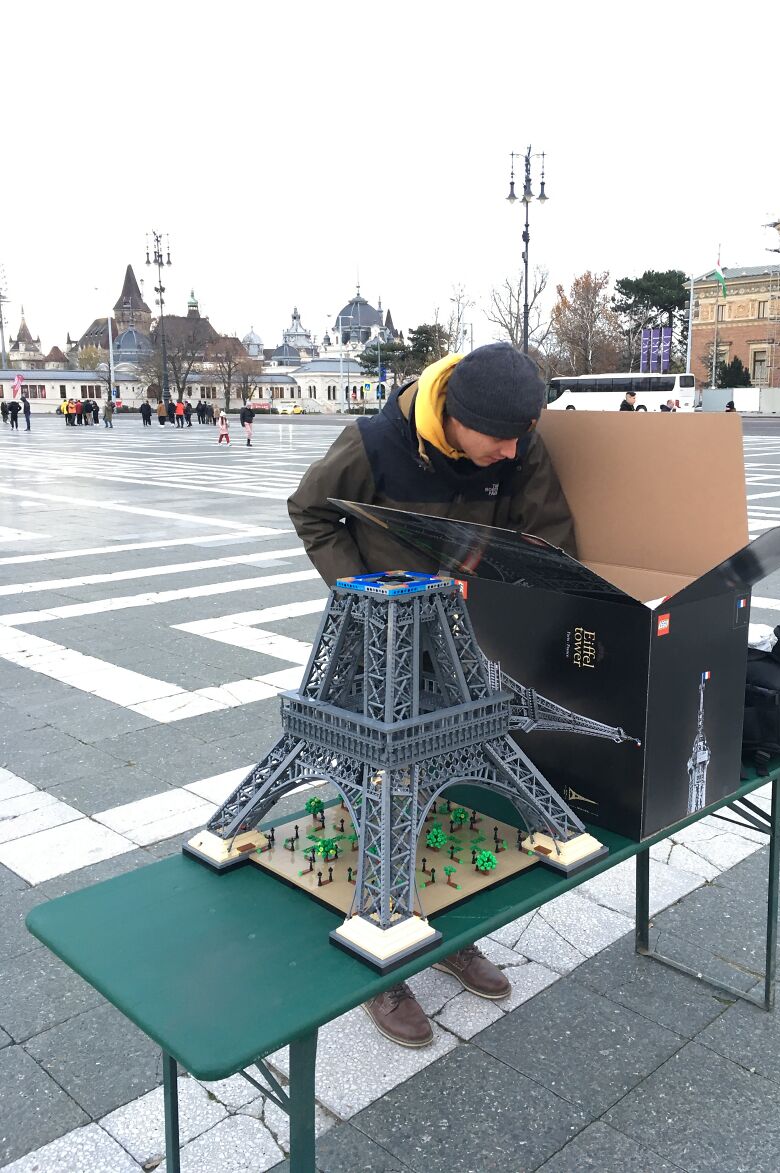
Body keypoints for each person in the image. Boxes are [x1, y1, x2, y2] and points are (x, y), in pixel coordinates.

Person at [289, 342, 576, 1048]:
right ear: (455, 416)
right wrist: (364, 597)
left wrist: (548, 618)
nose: (512, 452)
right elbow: (310, 510)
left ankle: (449, 931)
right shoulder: (374, 441)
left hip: (464, 638)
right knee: (382, 796)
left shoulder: (518, 444)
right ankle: (381, 965)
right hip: (378, 644)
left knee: (450, 797)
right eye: (501, 437)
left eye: (521, 435)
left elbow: (549, 540)